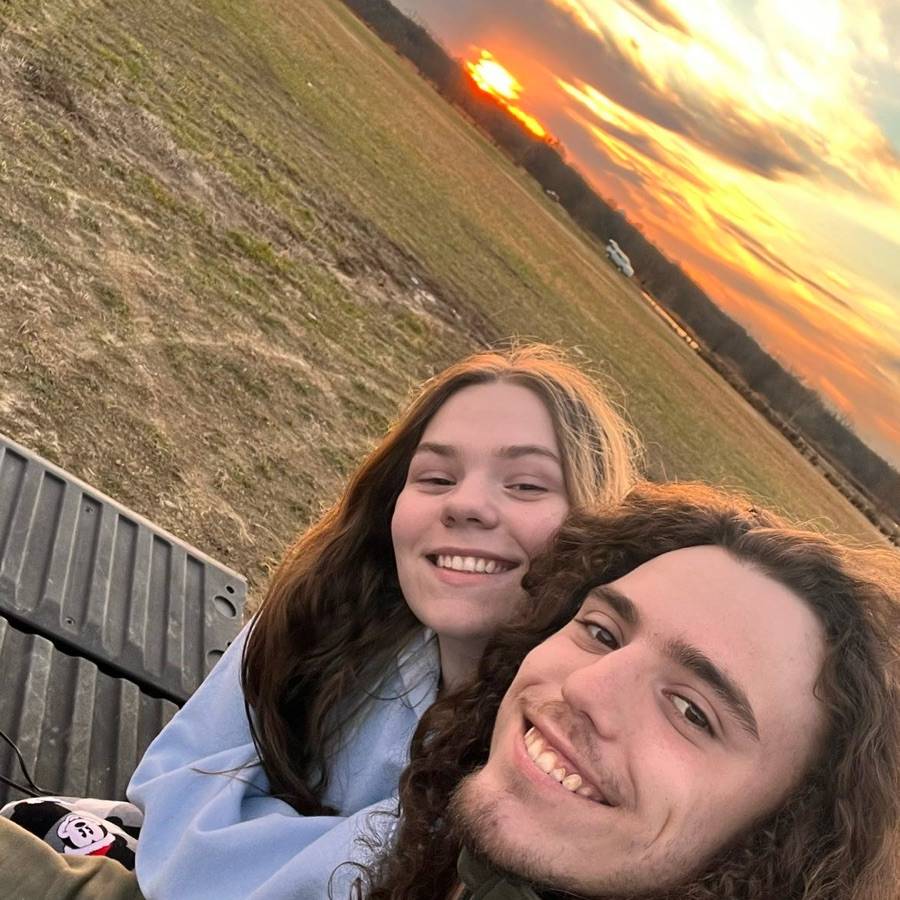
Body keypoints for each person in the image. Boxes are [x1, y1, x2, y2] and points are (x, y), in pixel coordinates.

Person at [125, 343, 641, 898]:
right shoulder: (325, 613)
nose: (464, 504)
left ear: (594, 529)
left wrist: (234, 833)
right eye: (436, 477)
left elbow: (186, 838)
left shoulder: (566, 759)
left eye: (526, 485)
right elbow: (174, 783)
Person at [360, 483, 900, 900]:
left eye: (691, 711)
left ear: (787, 835)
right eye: (601, 633)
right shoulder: (417, 845)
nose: (584, 687)